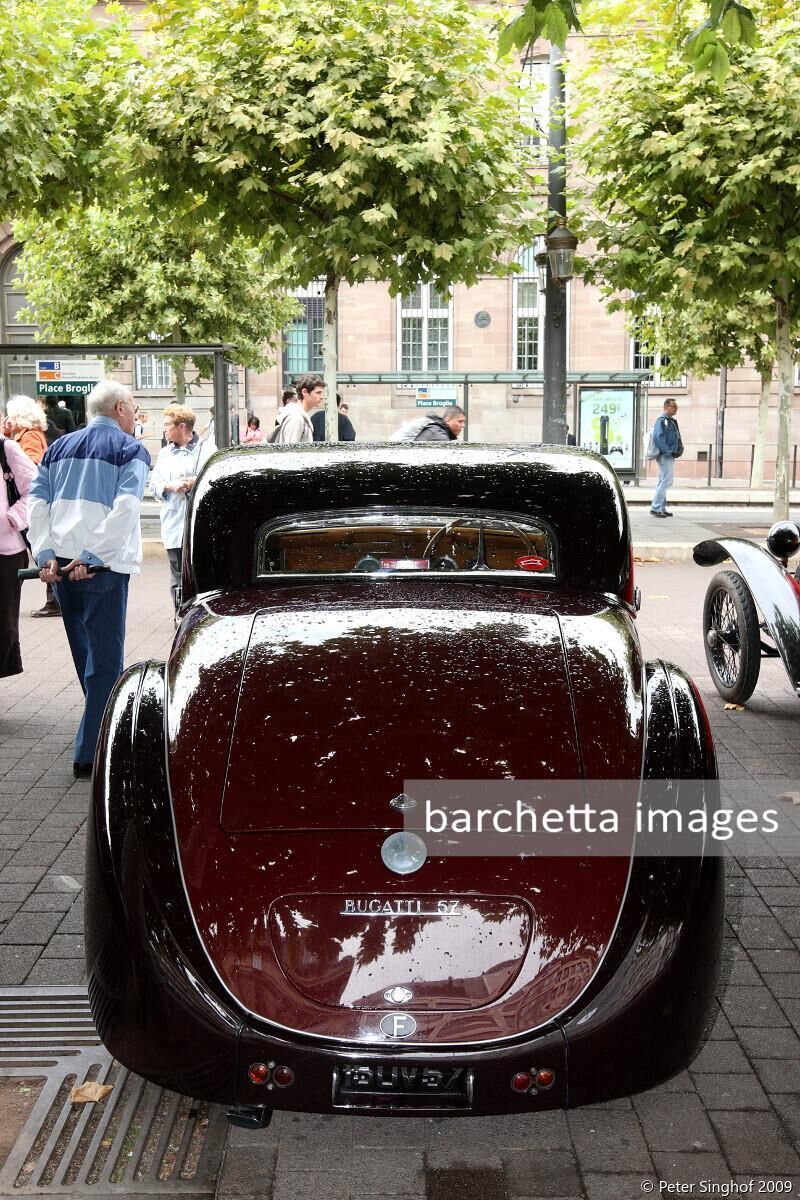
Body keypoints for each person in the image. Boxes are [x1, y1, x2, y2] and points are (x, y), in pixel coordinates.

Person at [28, 379, 150, 778]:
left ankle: (99, 729)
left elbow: (38, 504)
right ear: (119, 409)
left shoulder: (57, 447)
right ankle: (93, 752)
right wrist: (94, 556)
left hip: (62, 566)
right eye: (133, 408)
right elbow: (126, 509)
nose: (135, 416)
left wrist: (46, 555)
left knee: (87, 658)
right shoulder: (131, 450)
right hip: (101, 567)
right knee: (105, 662)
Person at [150, 404, 215, 610]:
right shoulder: (165, 453)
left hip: (199, 523)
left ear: (183, 427)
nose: (164, 429)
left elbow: (214, 479)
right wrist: (169, 485)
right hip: (173, 521)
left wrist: (194, 482)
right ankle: (180, 613)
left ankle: (201, 613)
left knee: (200, 570)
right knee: (177, 571)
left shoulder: (207, 449)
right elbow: (154, 484)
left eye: (168, 424)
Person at [5, 397, 56, 616]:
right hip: (37, 503)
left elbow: (31, 465)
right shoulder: (30, 434)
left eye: (10, 415)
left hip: (30, 504)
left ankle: (55, 599)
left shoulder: (28, 436)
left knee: (39, 550)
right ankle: (55, 598)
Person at [0, 433, 35, 679]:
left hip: (6, 551)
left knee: (4, 627)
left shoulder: (6, 449)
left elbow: (35, 489)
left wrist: (11, 519)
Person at [649, 398, 683, 518]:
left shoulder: (669, 420)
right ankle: (656, 507)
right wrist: (668, 451)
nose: (676, 409)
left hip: (668, 454)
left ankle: (661, 507)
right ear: (667, 407)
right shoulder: (662, 420)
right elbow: (658, 438)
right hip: (665, 455)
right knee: (667, 481)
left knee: (663, 480)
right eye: (674, 407)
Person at [273, 374, 323, 444]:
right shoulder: (296, 418)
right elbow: (290, 452)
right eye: (318, 393)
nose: (322, 397)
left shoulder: (298, 416)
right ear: (304, 392)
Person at [4, 396, 48, 465]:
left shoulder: (29, 436)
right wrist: (6, 433)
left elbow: (33, 463)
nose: (8, 420)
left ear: (19, 417)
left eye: (11, 416)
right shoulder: (30, 433)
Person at [391, 405, 466, 443]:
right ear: (447, 419)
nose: (463, 425)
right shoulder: (438, 434)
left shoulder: (436, 429)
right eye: (460, 421)